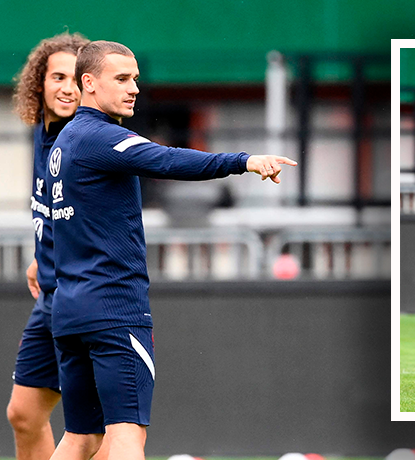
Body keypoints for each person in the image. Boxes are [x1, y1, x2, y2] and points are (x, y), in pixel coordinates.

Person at [46, 40, 296, 460]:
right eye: (121, 79)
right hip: (113, 309)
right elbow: (166, 160)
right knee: (126, 433)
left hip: (71, 311)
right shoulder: (101, 137)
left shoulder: (64, 141)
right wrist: (244, 161)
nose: (134, 89)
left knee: (81, 438)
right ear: (88, 82)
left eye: (135, 79)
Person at [6, 32, 111, 460]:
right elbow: (53, 209)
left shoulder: (88, 138)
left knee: (97, 432)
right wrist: (41, 253)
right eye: (57, 77)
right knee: (24, 413)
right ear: (39, 83)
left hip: (84, 296)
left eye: (75, 78)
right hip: (51, 294)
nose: (67, 88)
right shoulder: (43, 131)